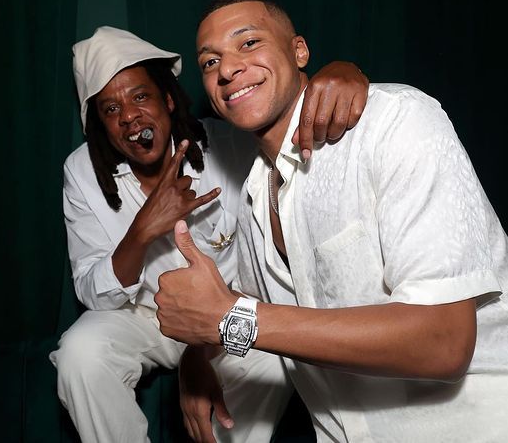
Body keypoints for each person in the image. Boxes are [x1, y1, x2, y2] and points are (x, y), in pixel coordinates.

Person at [154, 0, 508, 442]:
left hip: (490, 424)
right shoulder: (254, 197)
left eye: (248, 43)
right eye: (210, 62)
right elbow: (250, 298)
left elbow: (444, 342)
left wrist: (230, 320)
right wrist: (197, 357)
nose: (227, 69)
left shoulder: (394, 123)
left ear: (299, 51)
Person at [49, 25, 370, 443]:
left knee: (275, 355)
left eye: (140, 97)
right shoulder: (82, 172)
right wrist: (143, 229)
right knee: (79, 354)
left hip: (225, 310)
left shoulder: (229, 144)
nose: (128, 116)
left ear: (168, 100)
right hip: (141, 314)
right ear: (101, 125)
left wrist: (346, 71)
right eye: (111, 109)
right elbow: (94, 293)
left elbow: (300, 121)